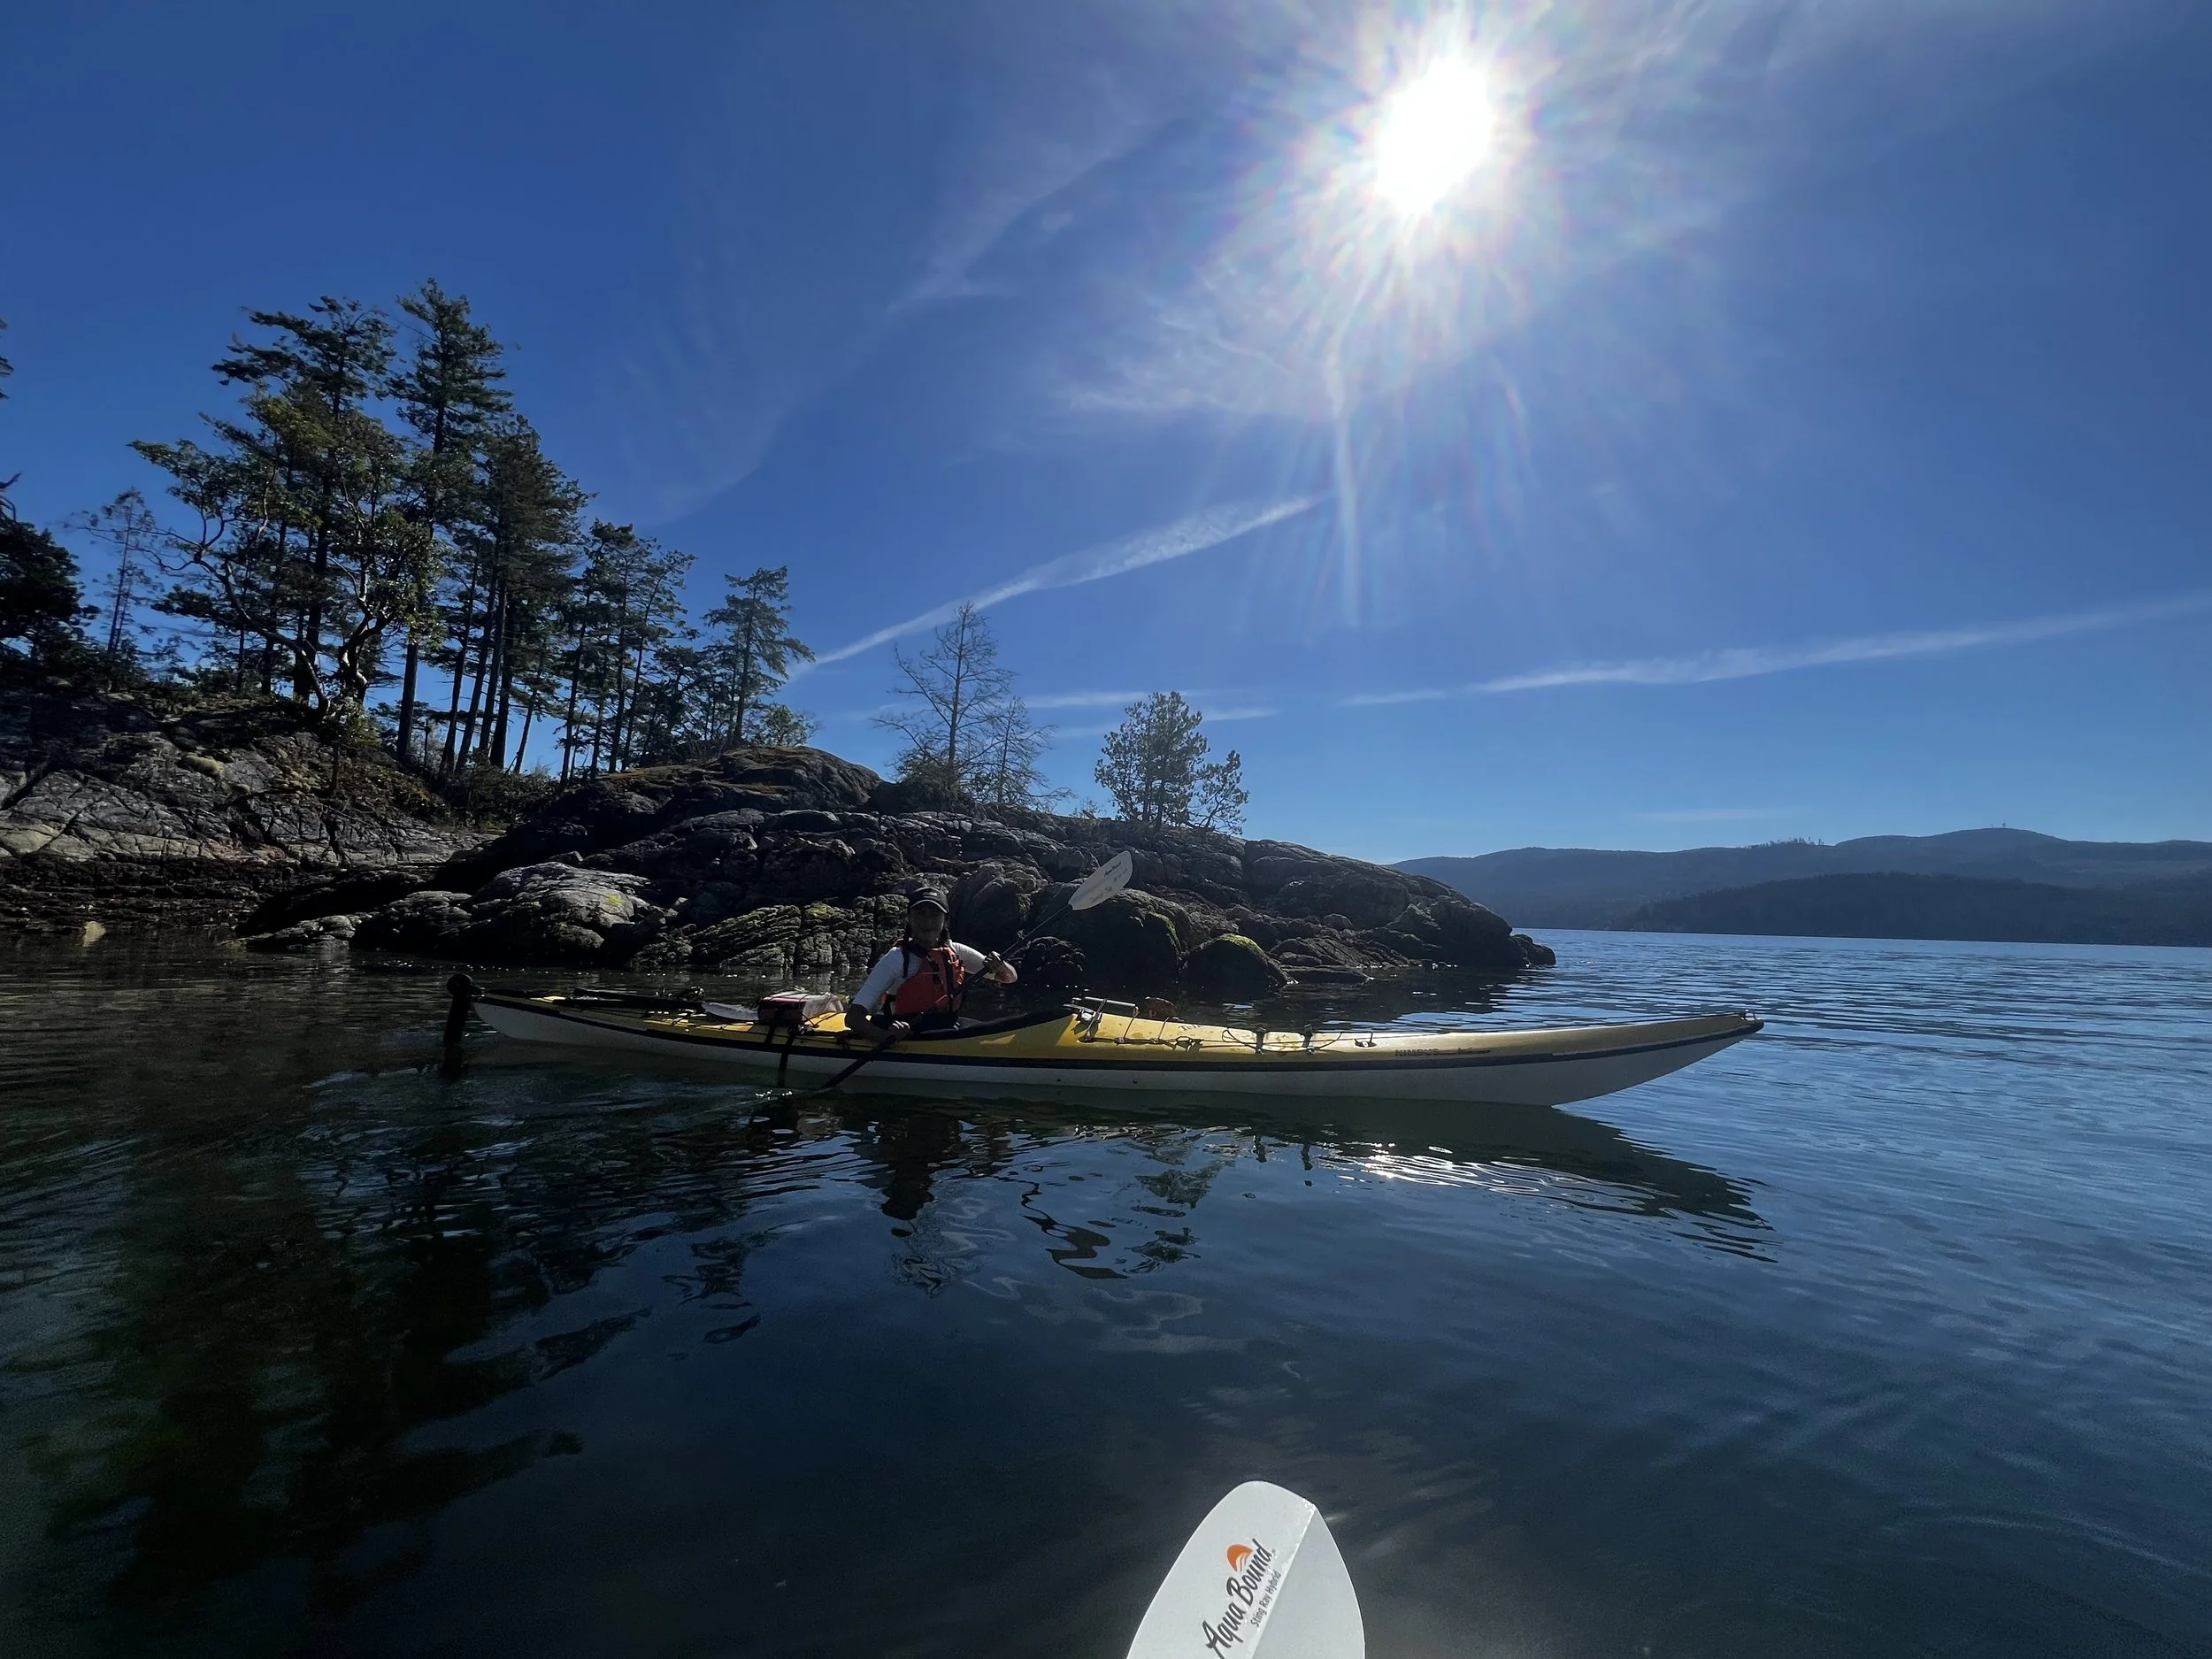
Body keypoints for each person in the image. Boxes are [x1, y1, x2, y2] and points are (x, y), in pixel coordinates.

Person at [848, 888, 1017, 1033]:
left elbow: (1009, 978)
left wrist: (1000, 966)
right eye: (920, 914)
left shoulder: (956, 951)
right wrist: (883, 1037)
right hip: (907, 1036)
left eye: (935, 915)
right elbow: (853, 1018)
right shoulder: (896, 960)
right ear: (909, 918)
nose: (927, 921)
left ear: (946, 921)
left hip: (948, 1028)